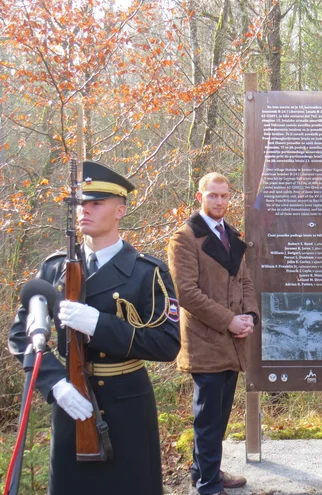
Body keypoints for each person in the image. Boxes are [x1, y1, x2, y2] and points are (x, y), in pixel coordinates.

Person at [8, 161, 181, 495]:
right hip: (70, 403)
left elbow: (166, 343)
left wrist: (100, 324)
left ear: (120, 210)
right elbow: (21, 336)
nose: (84, 210)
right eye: (80, 204)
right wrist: (55, 384)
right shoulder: (54, 269)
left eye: (95, 203)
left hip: (126, 404)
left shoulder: (148, 272)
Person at [168, 172, 259, 495]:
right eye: (213, 196)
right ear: (200, 196)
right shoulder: (184, 238)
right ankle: (208, 485)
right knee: (207, 421)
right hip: (205, 342)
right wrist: (230, 321)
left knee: (219, 417)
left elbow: (245, 281)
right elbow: (187, 293)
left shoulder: (232, 236)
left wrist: (248, 315)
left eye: (224, 196)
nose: (220, 201)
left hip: (233, 343)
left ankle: (201, 470)